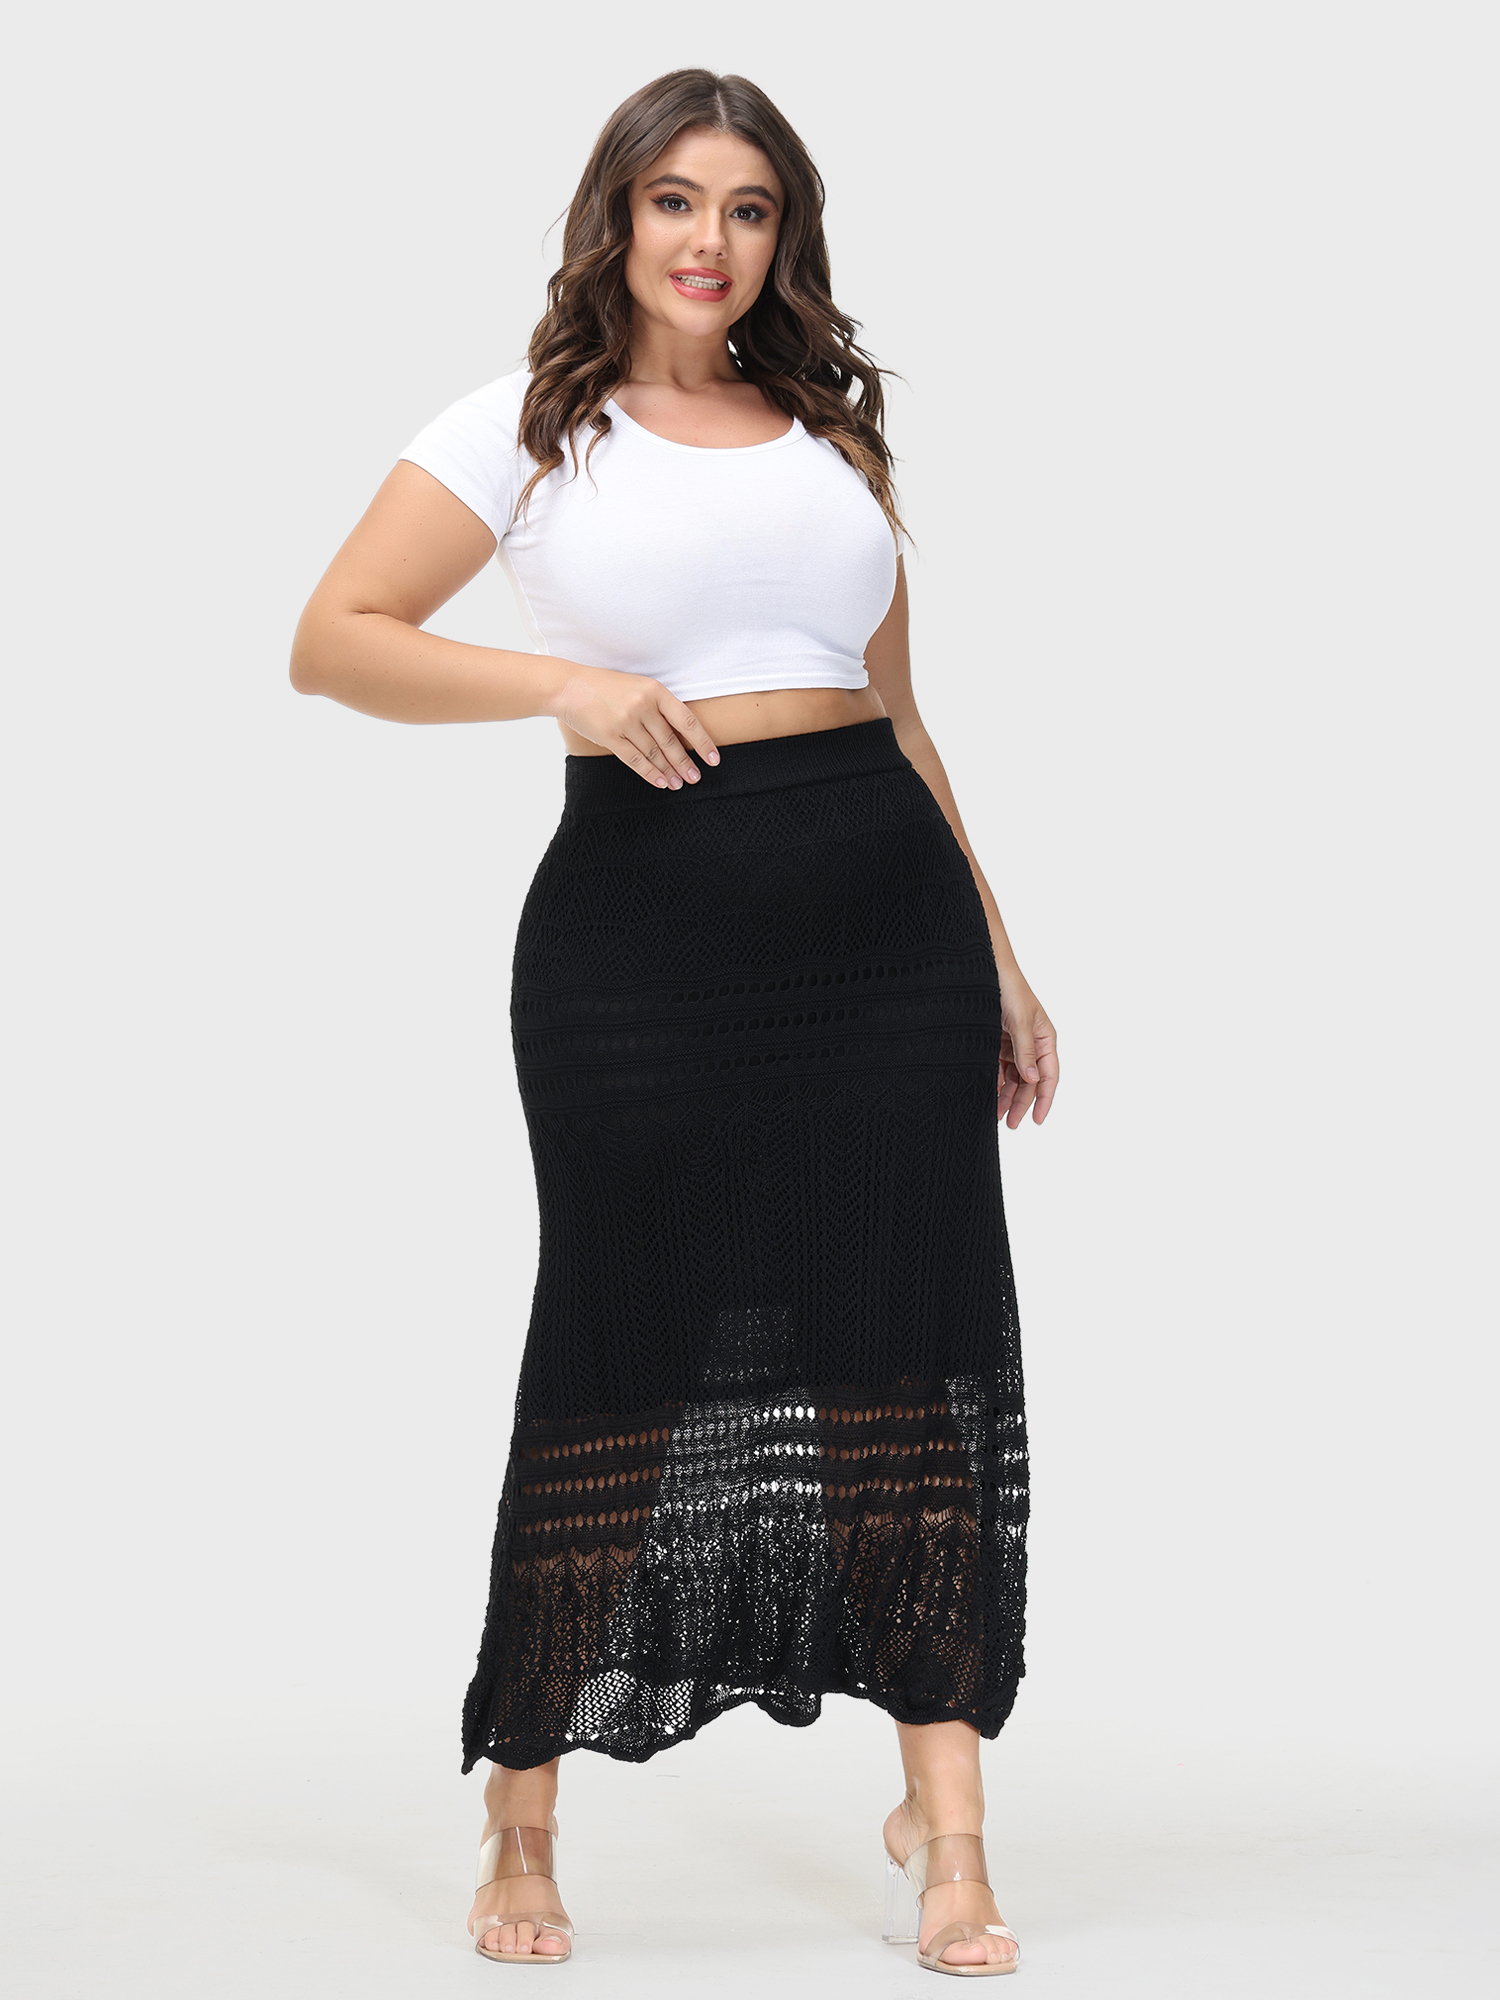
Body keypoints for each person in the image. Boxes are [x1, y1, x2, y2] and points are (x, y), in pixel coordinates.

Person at [291, 66, 1057, 1978]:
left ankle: (951, 1833)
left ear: (786, 237)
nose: (711, 240)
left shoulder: (832, 437)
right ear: (617, 218)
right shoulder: (526, 425)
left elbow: (903, 714)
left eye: (749, 208)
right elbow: (336, 637)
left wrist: (999, 950)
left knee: (903, 1349)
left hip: (883, 925)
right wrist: (563, 685)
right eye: (676, 201)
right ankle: (523, 1811)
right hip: (642, 935)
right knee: (619, 1348)